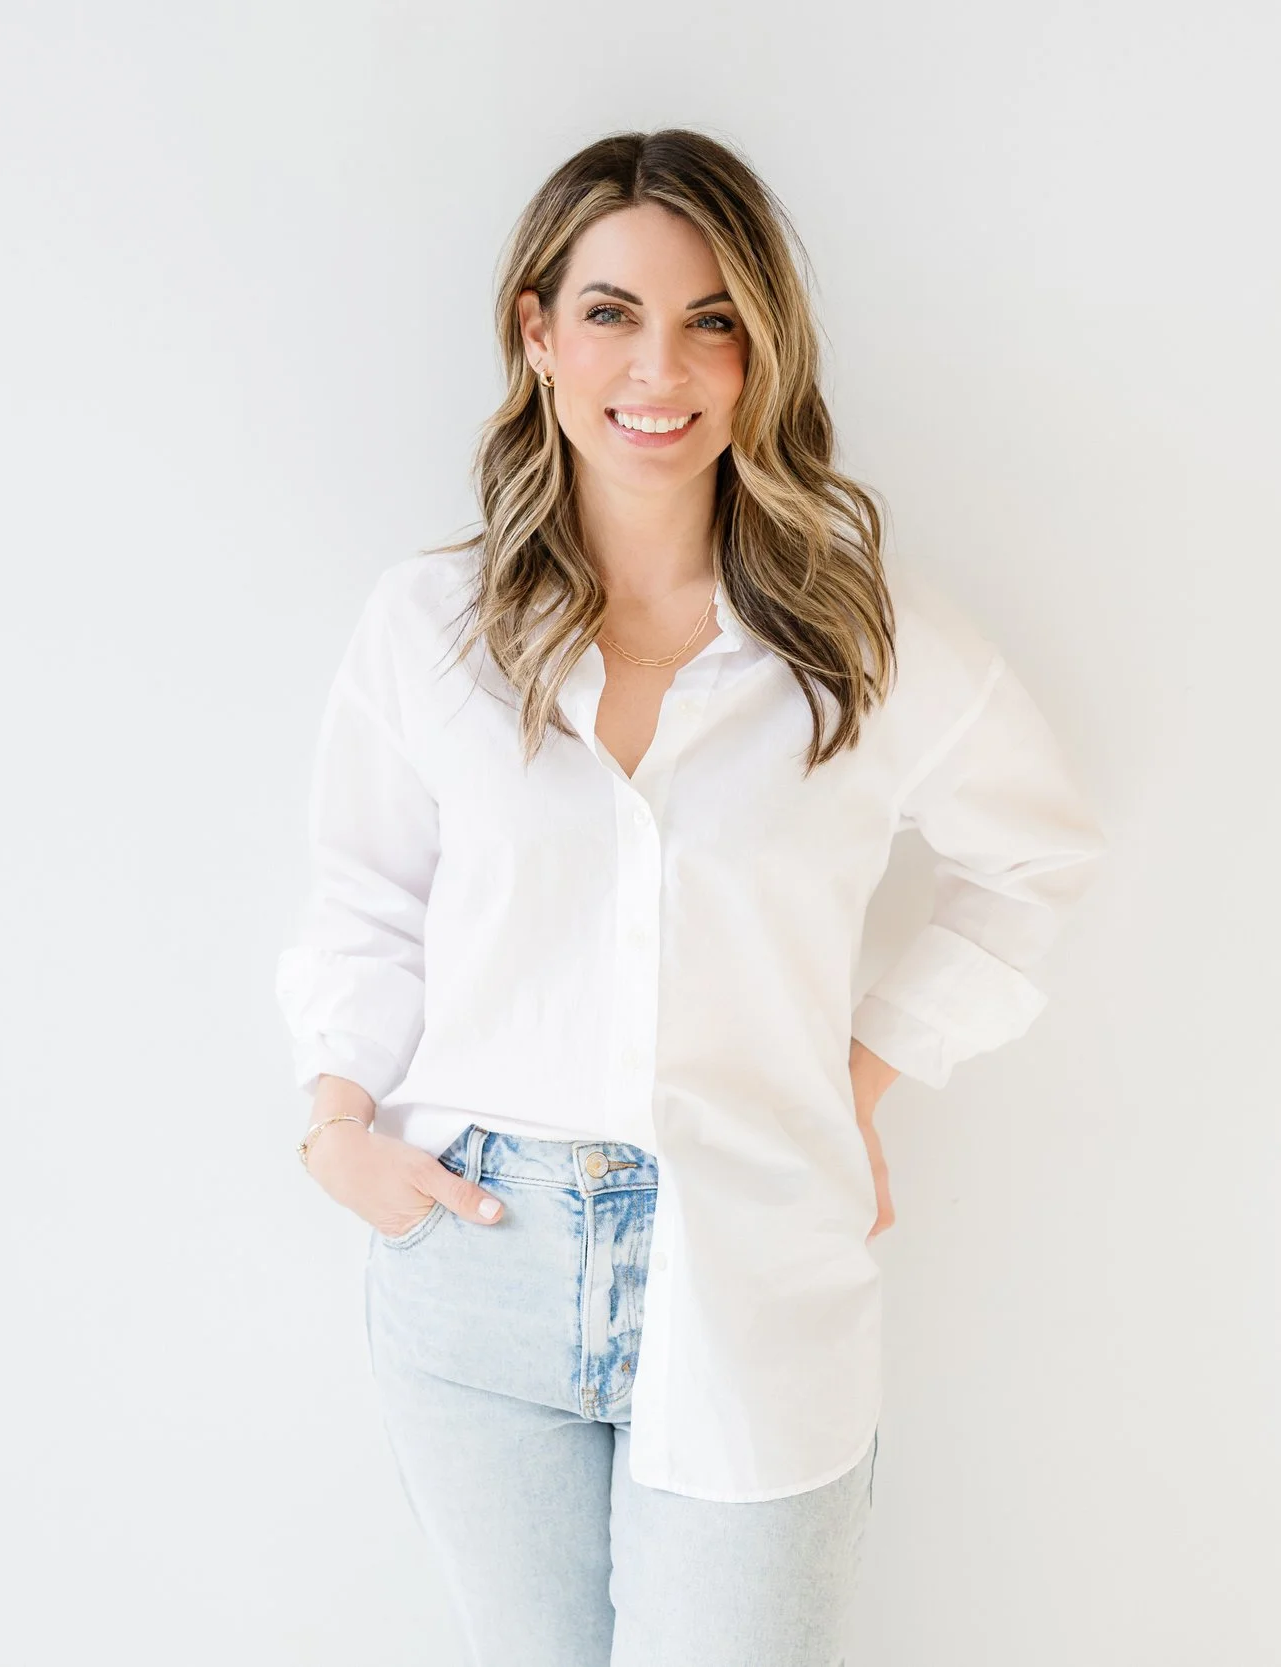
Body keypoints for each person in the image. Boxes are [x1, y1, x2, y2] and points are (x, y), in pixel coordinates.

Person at [274, 129, 1108, 1667]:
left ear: (759, 350)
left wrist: (862, 1077)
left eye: (711, 319)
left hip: (753, 1253)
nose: (659, 367)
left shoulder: (859, 639)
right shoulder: (428, 627)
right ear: (536, 332)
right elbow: (366, 895)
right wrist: (335, 1124)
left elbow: (1036, 854)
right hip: (479, 1250)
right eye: (612, 312)